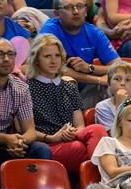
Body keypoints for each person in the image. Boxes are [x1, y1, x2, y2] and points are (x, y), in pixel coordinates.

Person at [25, 33, 109, 170]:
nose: (54, 61)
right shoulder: (26, 88)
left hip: (71, 139)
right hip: (45, 144)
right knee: (98, 151)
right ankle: (106, 173)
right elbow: (25, 130)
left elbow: (80, 126)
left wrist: (71, 132)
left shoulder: (69, 86)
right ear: (36, 60)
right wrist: (52, 137)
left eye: (57, 56)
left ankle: (103, 174)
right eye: (47, 56)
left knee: (97, 129)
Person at [38, 0, 131, 107]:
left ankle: (121, 124)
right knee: (67, 83)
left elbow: (119, 67)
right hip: (54, 91)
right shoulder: (50, 31)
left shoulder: (94, 32)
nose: (76, 11)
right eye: (69, 7)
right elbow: (55, 70)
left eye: (80, 6)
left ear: (86, 11)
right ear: (57, 14)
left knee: (116, 85)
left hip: (84, 91)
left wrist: (89, 68)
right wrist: (96, 79)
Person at [0, 37, 48, 164]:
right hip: (3, 140)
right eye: (0, 54)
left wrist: (18, 142)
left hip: (7, 143)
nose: (6, 59)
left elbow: (30, 131)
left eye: (10, 54)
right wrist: (5, 139)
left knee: (41, 149)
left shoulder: (21, 88)